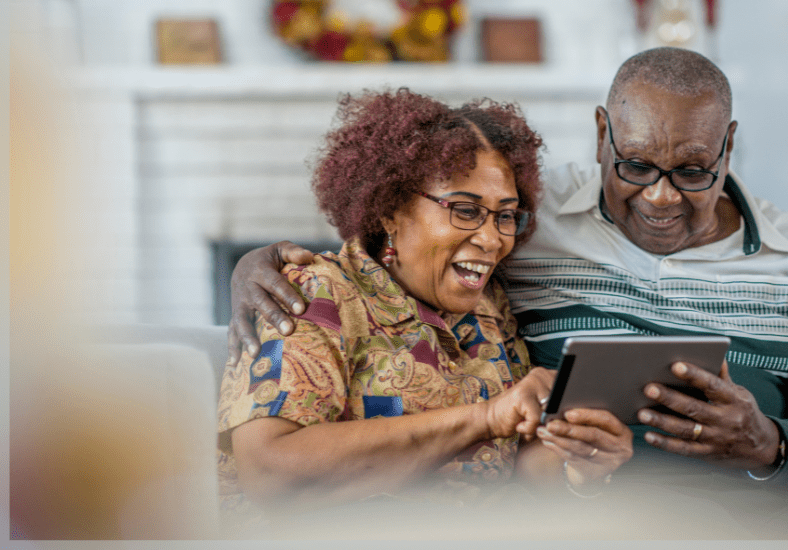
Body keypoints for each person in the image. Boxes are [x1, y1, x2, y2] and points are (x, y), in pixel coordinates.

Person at [227, 50, 788, 538]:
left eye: (692, 170)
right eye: (635, 165)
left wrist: (765, 440)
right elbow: (385, 246)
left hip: (708, 509)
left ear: (728, 148)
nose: (660, 196)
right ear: (602, 134)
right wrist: (254, 266)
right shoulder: (535, 222)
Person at [217, 89, 634, 532]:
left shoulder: (489, 312)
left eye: (506, 216)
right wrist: (484, 417)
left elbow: (522, 464)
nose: (493, 240)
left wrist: (580, 464)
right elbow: (272, 475)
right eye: (466, 210)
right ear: (390, 210)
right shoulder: (317, 295)